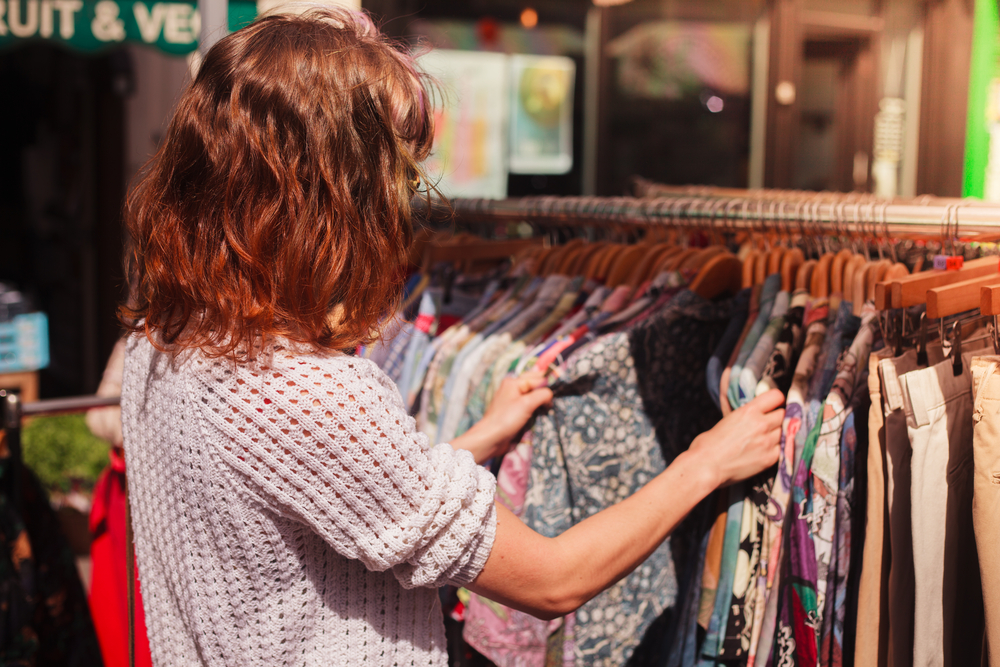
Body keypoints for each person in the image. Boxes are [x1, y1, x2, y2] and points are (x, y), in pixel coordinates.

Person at [119, 7, 785, 666]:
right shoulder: (305, 391)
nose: (402, 202)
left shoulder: (160, 344)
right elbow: (554, 579)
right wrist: (705, 461)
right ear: (330, 197)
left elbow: (322, 496)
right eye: (394, 178)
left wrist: (479, 439)